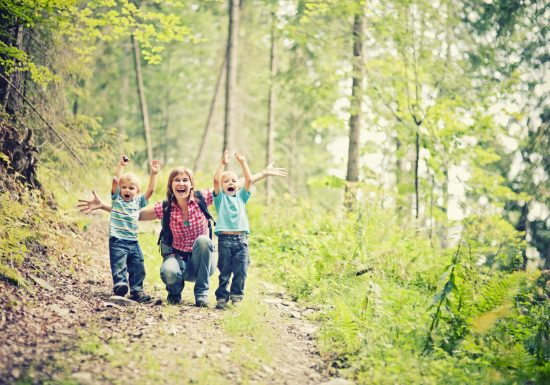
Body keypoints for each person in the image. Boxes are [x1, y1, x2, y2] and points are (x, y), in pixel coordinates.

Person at [78, 162, 287, 307]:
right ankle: (175, 292)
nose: (181, 183)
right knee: (168, 272)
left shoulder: (203, 198)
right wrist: (105, 206)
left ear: (191, 184)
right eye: (177, 180)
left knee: (204, 241)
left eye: (185, 180)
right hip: (177, 260)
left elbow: (235, 184)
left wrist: (262, 174)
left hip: (201, 264)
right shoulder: (166, 207)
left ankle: (201, 293)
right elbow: (135, 215)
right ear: (171, 185)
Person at [107, 156, 160, 303]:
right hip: (117, 240)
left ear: (137, 191)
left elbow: (150, 191)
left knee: (138, 265)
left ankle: (137, 290)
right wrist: (121, 166)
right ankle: (120, 285)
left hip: (133, 241)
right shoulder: (117, 198)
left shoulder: (138, 202)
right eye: (124, 187)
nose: (127, 190)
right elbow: (115, 181)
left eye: (131, 188)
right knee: (119, 264)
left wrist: (154, 174)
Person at [213, 150, 252, 309]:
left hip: (241, 241)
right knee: (224, 271)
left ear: (238, 185)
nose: (230, 183)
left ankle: (237, 296)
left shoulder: (242, 198)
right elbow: (215, 179)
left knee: (241, 271)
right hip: (224, 241)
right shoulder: (220, 199)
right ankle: (222, 297)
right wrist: (223, 163)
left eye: (233, 181)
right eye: (226, 181)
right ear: (222, 187)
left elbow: (249, 179)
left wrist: (243, 162)